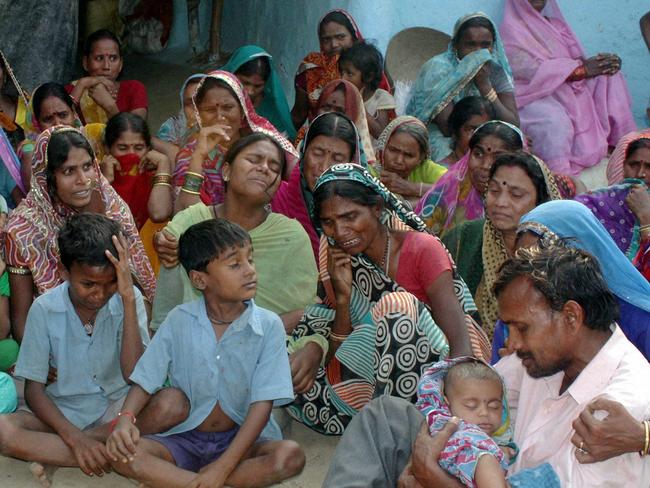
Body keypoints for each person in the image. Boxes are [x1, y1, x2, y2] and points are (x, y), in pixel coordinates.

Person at [323, 245, 650, 487]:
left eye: (522, 328)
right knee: (387, 417)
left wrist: (436, 477)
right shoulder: (546, 358)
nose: (514, 344)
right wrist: (431, 446)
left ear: (571, 317)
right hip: (495, 470)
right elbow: (471, 388)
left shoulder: (618, 411)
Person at [286, 163, 490, 436]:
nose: (340, 231)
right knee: (287, 363)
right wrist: (343, 297)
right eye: (328, 222)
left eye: (350, 216)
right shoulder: (339, 258)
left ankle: (398, 427)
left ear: (378, 208)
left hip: (439, 371)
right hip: (376, 376)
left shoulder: (422, 249)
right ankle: (378, 416)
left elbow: (461, 343)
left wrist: (452, 401)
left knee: (395, 307)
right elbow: (342, 353)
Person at [106, 219, 305, 487]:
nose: (249, 271)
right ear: (200, 279)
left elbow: (262, 405)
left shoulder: (268, 326)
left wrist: (223, 467)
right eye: (235, 265)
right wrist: (125, 420)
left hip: (241, 442)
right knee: (124, 456)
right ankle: (201, 483)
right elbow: (145, 378)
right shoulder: (179, 320)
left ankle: (191, 481)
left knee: (290, 456)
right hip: (185, 436)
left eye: (250, 260)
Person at [0, 214, 187, 484]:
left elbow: (133, 374)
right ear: (64, 273)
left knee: (174, 403)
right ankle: (109, 451)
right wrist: (74, 437)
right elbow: (34, 391)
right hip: (63, 411)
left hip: (118, 410)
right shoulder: (44, 309)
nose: (99, 294)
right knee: (4, 430)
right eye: (88, 284)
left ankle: (77, 450)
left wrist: (127, 300)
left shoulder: (127, 298)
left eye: (110, 282)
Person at [151, 133, 317, 332]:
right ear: (226, 171)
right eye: (253, 160)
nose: (264, 168)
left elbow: (305, 313)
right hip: (190, 352)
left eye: (274, 168)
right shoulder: (190, 222)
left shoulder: (291, 235)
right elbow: (165, 315)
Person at [4, 127, 155, 342]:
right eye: (68, 171)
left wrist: (95, 220)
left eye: (87, 167)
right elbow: (22, 318)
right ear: (47, 177)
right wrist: (47, 361)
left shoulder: (109, 204)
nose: (83, 179)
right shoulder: (22, 231)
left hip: (123, 327)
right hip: (59, 340)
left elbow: (136, 285)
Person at [500, 0, 637, 175]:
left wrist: (603, 63)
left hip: (566, 86)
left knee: (610, 76)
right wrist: (581, 70)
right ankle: (561, 176)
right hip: (532, 95)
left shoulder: (555, 25)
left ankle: (626, 148)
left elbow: (577, 59)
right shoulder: (511, 30)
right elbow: (529, 71)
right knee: (553, 120)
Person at [501, 199, 650, 360]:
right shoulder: (513, 321)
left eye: (543, 266)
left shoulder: (640, 322)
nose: (530, 278)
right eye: (523, 266)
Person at [442, 152, 560, 336]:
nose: (501, 202)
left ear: (541, 201)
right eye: (494, 191)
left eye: (516, 194)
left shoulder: (559, 254)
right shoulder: (463, 238)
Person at [171, 70, 298, 215]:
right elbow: (185, 215)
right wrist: (198, 157)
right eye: (210, 109)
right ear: (199, 115)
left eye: (228, 107)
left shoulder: (263, 148)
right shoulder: (189, 156)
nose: (220, 117)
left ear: (243, 111)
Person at [407, 13, 519, 161]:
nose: (478, 52)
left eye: (486, 45)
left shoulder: (494, 70)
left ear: (493, 45)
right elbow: (449, 128)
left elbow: (513, 123)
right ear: (456, 45)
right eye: (470, 45)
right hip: (443, 136)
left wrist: (485, 87)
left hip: (485, 134)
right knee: (447, 152)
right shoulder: (439, 69)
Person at [271, 111, 366, 259]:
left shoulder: (364, 214)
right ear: (303, 151)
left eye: (337, 158)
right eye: (317, 153)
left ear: (350, 164)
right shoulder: (275, 198)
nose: (324, 167)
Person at [416, 358, 517, 488]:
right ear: (447, 403)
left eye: (494, 406)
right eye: (471, 405)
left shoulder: (501, 443)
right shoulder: (464, 441)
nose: (484, 412)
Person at [416, 120, 524, 237]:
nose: (485, 165)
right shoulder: (450, 188)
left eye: (498, 158)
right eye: (478, 154)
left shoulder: (527, 202)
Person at [291, 9, 391, 130]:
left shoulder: (368, 70)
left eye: (340, 37)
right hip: (319, 136)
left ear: (354, 38)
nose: (334, 44)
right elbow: (298, 115)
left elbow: (382, 130)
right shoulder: (310, 69)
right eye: (326, 39)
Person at [18, 82, 107, 193]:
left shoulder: (93, 134)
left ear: (73, 113)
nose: (58, 124)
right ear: (37, 123)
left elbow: (128, 136)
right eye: (48, 119)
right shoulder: (33, 152)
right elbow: (37, 195)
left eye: (63, 115)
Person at [67, 29, 148, 124]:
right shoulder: (72, 90)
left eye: (113, 58)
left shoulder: (134, 88)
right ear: (85, 63)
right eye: (99, 58)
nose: (106, 66)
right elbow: (57, 129)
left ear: (121, 64)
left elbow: (137, 132)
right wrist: (82, 84)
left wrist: (110, 106)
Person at [221, 45, 296, 140]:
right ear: (232, 74)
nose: (250, 91)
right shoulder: (214, 93)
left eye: (258, 86)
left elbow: (282, 144)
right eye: (245, 82)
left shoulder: (271, 109)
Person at [294, 78, 376, 164]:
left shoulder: (362, 159)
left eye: (339, 111)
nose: (331, 114)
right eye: (326, 107)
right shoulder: (304, 140)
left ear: (353, 114)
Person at [375, 115, 447, 206]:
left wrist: (410, 188)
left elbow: (457, 190)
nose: (399, 161)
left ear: (421, 158)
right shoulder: (368, 173)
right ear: (383, 147)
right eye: (393, 150)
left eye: (408, 155)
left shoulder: (426, 169)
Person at [339, 42, 396, 142]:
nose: (343, 78)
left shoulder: (381, 98)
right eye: (341, 72)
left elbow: (380, 134)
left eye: (349, 73)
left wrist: (360, 107)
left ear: (369, 76)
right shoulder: (341, 95)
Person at [154, 73, 205, 163]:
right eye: (189, 104)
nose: (196, 109)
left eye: (201, 102)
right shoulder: (172, 127)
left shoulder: (226, 131)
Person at [440, 96, 495, 167]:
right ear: (455, 133)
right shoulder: (442, 173)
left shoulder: (496, 170)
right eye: (471, 130)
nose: (479, 136)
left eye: (486, 130)